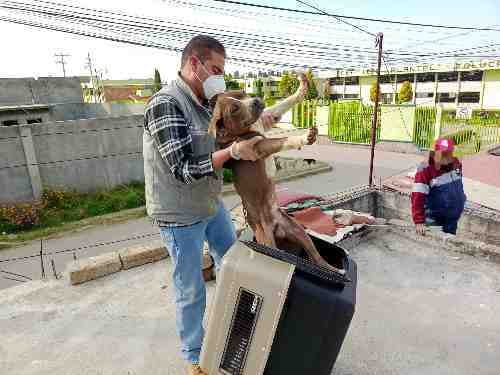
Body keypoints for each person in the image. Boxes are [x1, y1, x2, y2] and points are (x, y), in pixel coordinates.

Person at [142, 35, 279, 375]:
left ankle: (231, 329)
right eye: (215, 69)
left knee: (232, 263)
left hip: (208, 202)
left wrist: (256, 125)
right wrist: (232, 153)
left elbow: (226, 134)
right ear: (194, 64)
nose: (219, 76)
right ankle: (195, 356)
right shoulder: (166, 103)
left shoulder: (207, 102)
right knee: (190, 288)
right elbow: (183, 168)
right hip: (178, 212)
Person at [411, 138, 466, 236]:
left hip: (452, 218)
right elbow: (417, 197)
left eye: (449, 153)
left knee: (448, 245)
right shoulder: (425, 170)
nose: (448, 157)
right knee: (433, 247)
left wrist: (461, 200)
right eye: (444, 154)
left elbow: (457, 185)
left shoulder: (455, 163)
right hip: (434, 220)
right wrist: (419, 221)